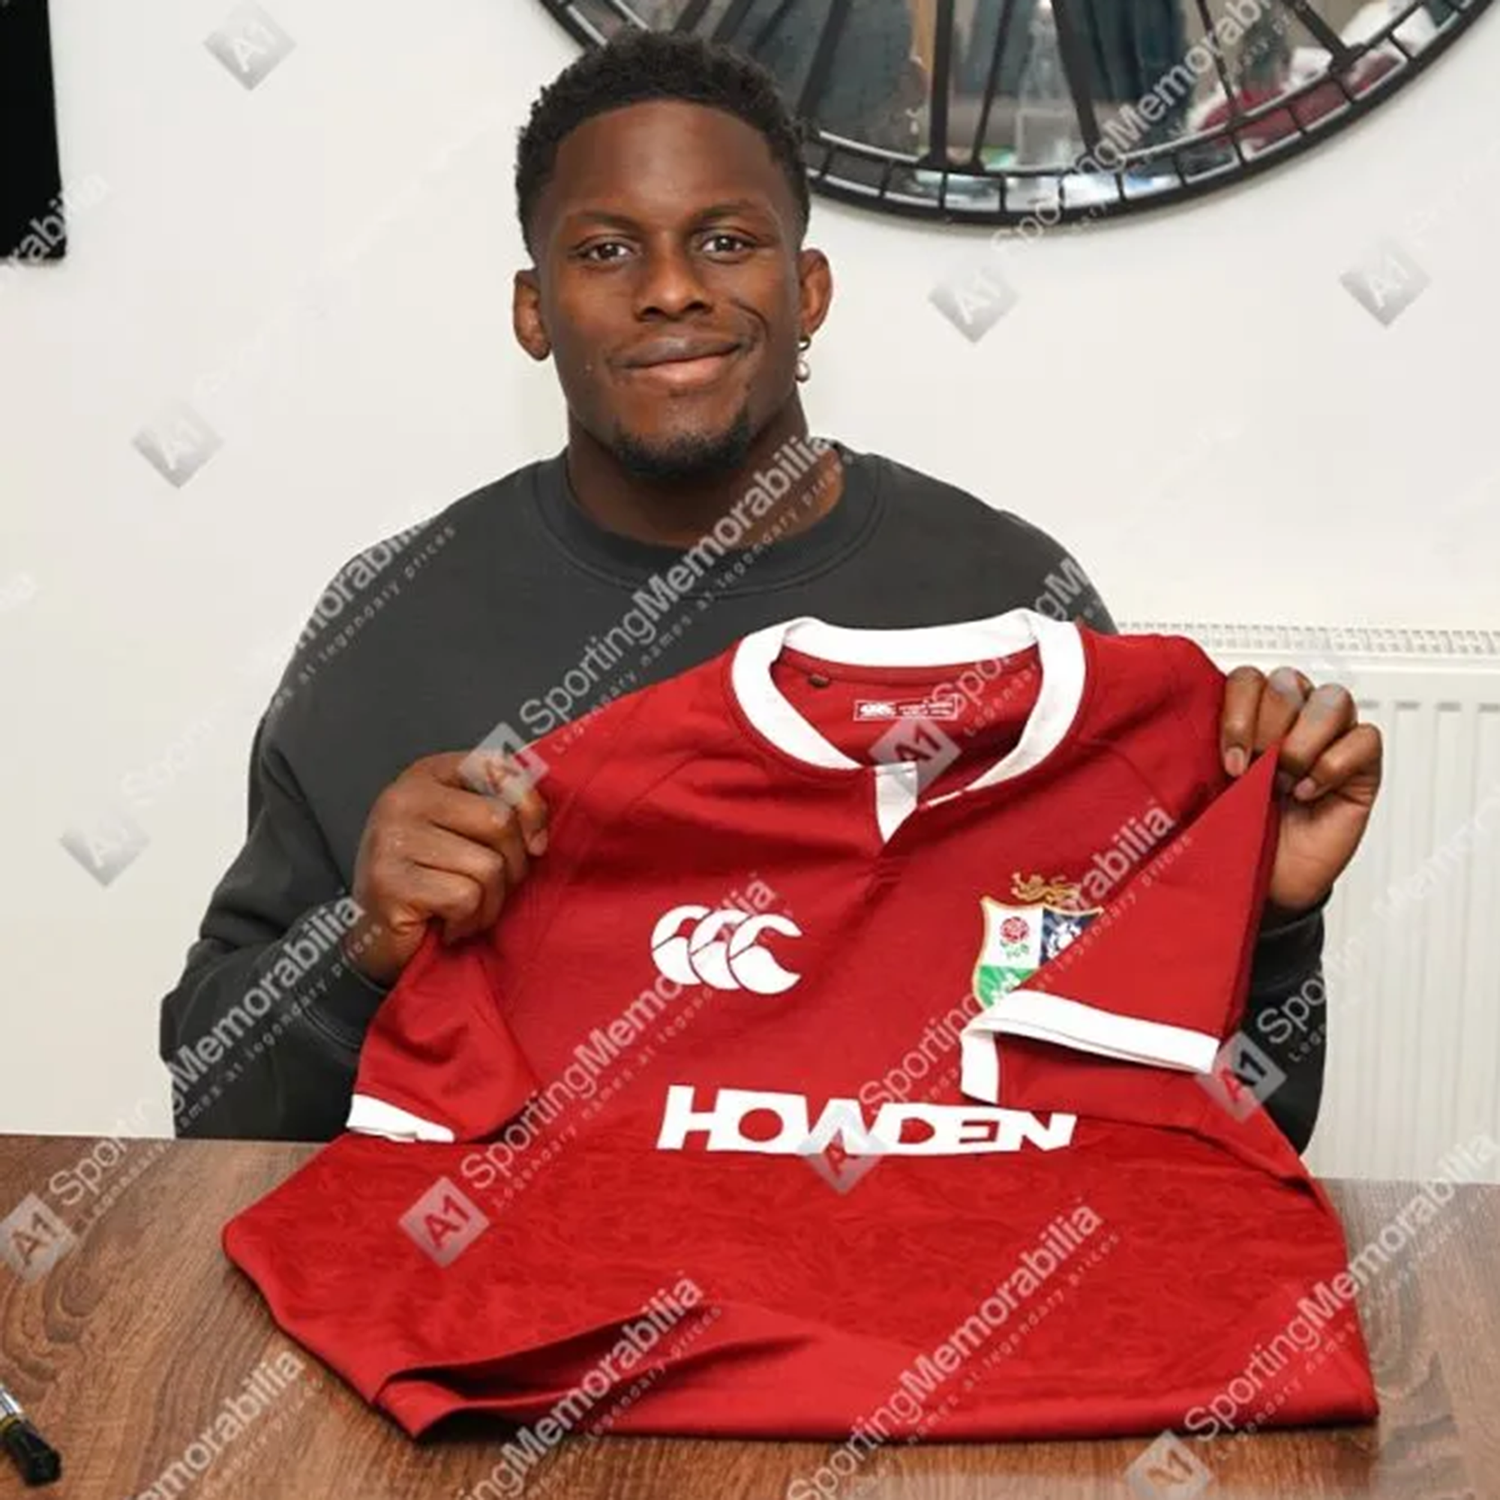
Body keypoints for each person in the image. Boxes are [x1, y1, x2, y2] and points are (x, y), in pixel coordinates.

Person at [158, 29, 1381, 1149]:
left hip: (901, 1351)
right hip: (507, 1358)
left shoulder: (1013, 601)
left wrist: (1266, 924)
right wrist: (358, 954)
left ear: (810, 293)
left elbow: (1234, 1132)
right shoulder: (395, 622)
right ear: (535, 312)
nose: (673, 287)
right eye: (604, 249)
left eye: (727, 241)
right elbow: (211, 1113)